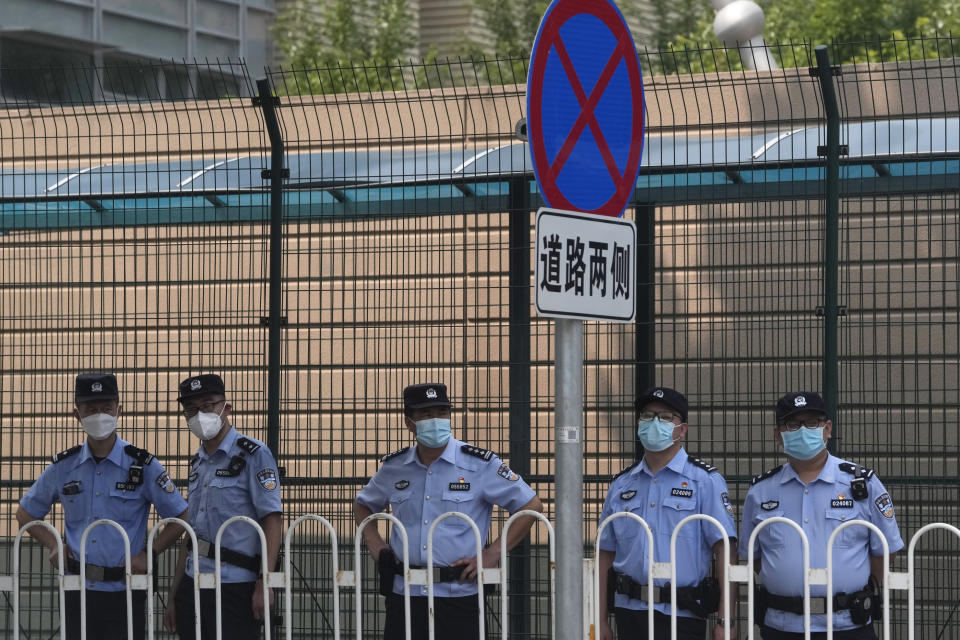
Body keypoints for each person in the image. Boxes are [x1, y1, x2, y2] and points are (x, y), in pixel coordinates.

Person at [354, 383, 544, 640]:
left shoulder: (479, 464)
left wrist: (492, 554)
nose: (436, 420)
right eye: (426, 414)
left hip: (459, 596)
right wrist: (375, 544)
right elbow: (363, 505)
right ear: (409, 423)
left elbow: (531, 506)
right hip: (405, 594)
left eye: (442, 412)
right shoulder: (394, 467)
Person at [16, 372, 188, 640]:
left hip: (126, 588)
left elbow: (180, 515)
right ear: (77, 414)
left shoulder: (143, 465)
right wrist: (54, 544)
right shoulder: (63, 466)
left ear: (119, 410)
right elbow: (25, 512)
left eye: (106, 408)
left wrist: (149, 552)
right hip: (78, 587)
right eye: (91, 409)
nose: (99, 415)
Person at [740, 392, 905, 640]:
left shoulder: (861, 485)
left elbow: (885, 551)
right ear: (778, 435)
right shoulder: (761, 490)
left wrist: (850, 583)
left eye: (811, 422)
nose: (802, 430)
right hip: (782, 626)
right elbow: (754, 557)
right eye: (792, 424)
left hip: (847, 625)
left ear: (827, 429)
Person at [598, 386, 738, 640]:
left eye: (664, 417)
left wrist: (725, 620)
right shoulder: (622, 484)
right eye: (647, 416)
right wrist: (599, 619)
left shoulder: (704, 481)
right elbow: (604, 554)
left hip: (682, 613)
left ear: (682, 429)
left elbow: (725, 551)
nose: (654, 423)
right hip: (628, 612)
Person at [163, 374, 283, 640]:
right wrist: (174, 593)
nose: (199, 414)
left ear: (225, 408)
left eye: (207, 405)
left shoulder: (253, 454)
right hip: (193, 583)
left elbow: (273, 519)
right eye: (191, 409)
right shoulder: (198, 461)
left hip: (235, 585)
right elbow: (191, 533)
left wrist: (266, 582)